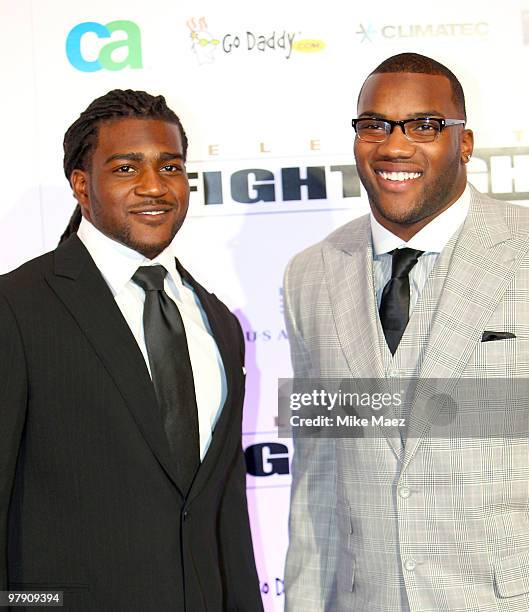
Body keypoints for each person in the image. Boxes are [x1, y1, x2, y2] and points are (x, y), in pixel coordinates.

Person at [0, 89, 263, 612]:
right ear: (82, 184)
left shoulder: (218, 320)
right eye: (125, 168)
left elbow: (224, 509)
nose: (154, 187)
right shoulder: (17, 308)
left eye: (170, 166)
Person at [283, 53, 529, 611]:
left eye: (424, 125)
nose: (394, 147)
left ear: (464, 143)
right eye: (374, 125)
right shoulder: (310, 273)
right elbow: (319, 474)